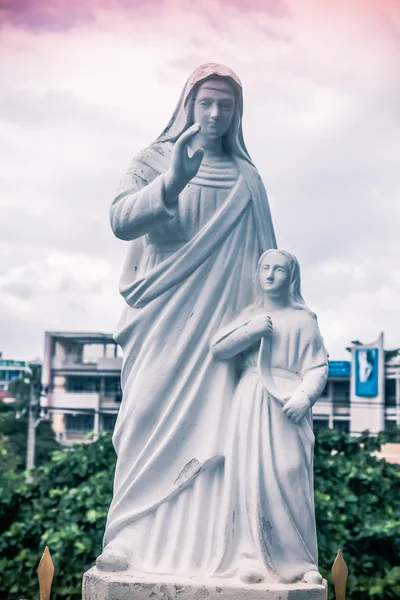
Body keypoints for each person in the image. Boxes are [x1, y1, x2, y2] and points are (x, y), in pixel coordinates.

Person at [97, 63, 277, 574]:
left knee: (222, 428)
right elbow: (119, 221)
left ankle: (212, 545)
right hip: (163, 316)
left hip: (224, 325)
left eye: (225, 104)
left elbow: (265, 257)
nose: (215, 113)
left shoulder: (248, 179)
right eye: (206, 102)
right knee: (145, 417)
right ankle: (129, 537)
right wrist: (172, 181)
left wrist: (273, 325)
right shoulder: (153, 159)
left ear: (237, 112)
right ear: (188, 105)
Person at [210, 250, 328, 585]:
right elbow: (218, 348)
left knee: (290, 477)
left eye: (279, 269)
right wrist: (250, 331)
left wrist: (304, 396)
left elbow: (317, 367)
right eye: (265, 268)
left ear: (291, 277)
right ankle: (249, 556)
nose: (271, 275)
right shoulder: (251, 314)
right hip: (251, 399)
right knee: (250, 476)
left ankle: (300, 561)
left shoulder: (305, 321)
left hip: (287, 403)